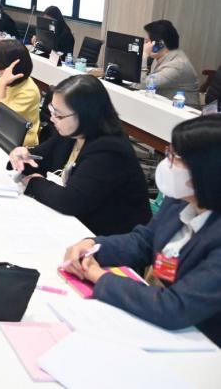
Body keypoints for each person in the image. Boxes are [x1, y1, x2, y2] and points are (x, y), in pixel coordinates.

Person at [61, 115, 221, 346]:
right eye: (169, 152)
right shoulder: (180, 201)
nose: (167, 163)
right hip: (160, 327)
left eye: (176, 157)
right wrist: (92, 246)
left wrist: (98, 276)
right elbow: (144, 241)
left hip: (202, 343)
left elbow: (174, 307)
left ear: (207, 170)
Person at [9, 75, 151, 236]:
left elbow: (70, 201)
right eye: (52, 110)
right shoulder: (72, 132)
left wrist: (34, 182)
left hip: (111, 237)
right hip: (79, 225)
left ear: (85, 114)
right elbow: (38, 159)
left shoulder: (110, 149)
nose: (53, 119)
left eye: (59, 115)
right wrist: (20, 156)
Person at [0, 40, 41, 147]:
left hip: (16, 146)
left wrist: (2, 86)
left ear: (8, 67)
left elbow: (0, 121)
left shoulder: (29, 92)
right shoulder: (1, 80)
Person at [133, 19, 199, 99]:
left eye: (147, 42)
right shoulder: (160, 56)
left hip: (179, 106)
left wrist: (144, 55)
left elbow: (140, 86)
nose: (145, 45)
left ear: (159, 44)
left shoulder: (177, 66)